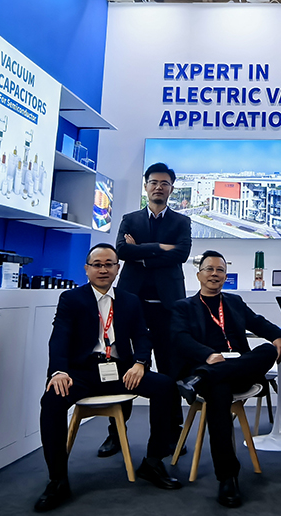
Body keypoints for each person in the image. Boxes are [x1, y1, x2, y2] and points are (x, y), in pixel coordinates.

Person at [35, 243, 183, 513]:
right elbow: (60, 337)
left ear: (118, 268)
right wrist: (58, 371)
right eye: (97, 264)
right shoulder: (71, 298)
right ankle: (57, 479)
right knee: (52, 401)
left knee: (165, 386)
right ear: (87, 269)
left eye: (109, 264)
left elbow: (142, 336)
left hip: (121, 370)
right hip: (83, 372)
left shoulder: (129, 300)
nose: (103, 269)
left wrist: (140, 363)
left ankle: (153, 461)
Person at [169, 250, 281, 508]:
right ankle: (228, 477)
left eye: (220, 270)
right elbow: (180, 339)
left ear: (225, 276)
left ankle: (200, 379)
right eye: (209, 269)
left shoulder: (234, 302)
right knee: (219, 394)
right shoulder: (183, 307)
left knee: (268, 350)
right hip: (212, 372)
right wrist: (208, 355)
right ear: (199, 274)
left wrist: (278, 337)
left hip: (236, 371)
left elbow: (259, 323)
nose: (214, 274)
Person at [100, 162, 192, 458]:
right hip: (132, 305)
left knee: (169, 370)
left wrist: (142, 251)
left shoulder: (181, 222)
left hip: (168, 307)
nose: (158, 187)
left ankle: (172, 433)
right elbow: (122, 251)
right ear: (146, 186)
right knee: (125, 366)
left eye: (164, 183)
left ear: (171, 189)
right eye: (154, 182)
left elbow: (182, 253)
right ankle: (115, 432)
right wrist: (161, 248)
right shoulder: (130, 219)